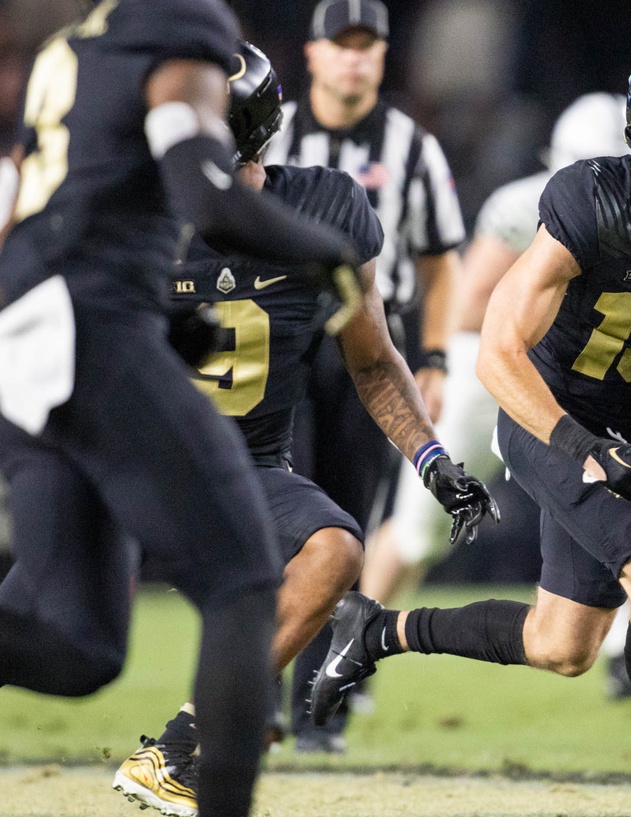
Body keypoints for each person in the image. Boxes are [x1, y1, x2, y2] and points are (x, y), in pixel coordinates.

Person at [309, 43, 631, 817]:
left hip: (628, 422)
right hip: (545, 412)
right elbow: (497, 351)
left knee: (562, 647)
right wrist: (579, 446)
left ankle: (378, 631)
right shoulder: (589, 200)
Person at [0, 1, 367, 817]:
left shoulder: (73, 47)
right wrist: (326, 252)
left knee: (78, 646)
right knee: (242, 582)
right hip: (87, 332)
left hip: (29, 335)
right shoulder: (177, 27)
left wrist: (161, 325)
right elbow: (207, 191)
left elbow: (46, 207)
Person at [109, 41, 498, 817]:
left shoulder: (324, 206)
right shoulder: (137, 217)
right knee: (65, 637)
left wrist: (432, 459)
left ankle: (179, 750)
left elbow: (375, 361)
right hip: (128, 458)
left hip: (243, 468)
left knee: (337, 549)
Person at [357, 91, 631, 703]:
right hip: (496, 373)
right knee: (419, 528)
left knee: (629, 501)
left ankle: (624, 653)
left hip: (580, 379)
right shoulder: (524, 205)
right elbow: (468, 309)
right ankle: (351, 642)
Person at [261, 0, 469, 751]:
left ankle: (320, 701)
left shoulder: (412, 145)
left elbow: (444, 260)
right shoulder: (270, 128)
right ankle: (261, 690)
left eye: (367, 46)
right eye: (340, 45)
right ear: (311, 54)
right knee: (287, 523)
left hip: (372, 348)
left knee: (350, 517)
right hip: (283, 343)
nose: (354, 59)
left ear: (383, 57)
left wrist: (437, 356)